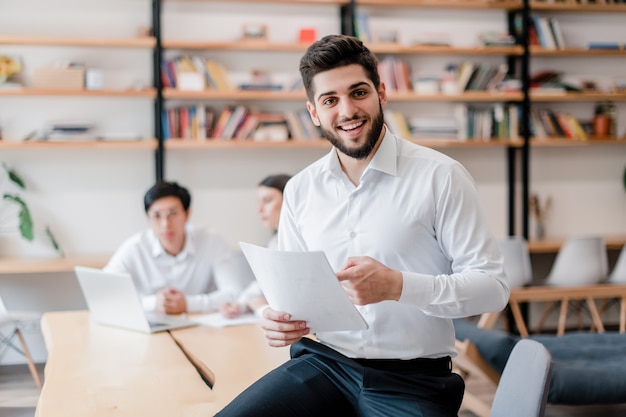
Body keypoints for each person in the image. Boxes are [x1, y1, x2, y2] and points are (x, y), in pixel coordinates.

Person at [216, 34, 510, 417]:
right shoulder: (301, 190)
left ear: (381, 93)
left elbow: (493, 289)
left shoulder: (442, 177)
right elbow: (290, 294)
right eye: (330, 100)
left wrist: (398, 286)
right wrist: (278, 319)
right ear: (313, 113)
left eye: (358, 93)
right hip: (325, 364)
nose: (347, 110)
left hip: (414, 379)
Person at [104, 181, 245, 314]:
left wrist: (188, 304)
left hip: (199, 326)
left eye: (173, 214)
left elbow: (234, 293)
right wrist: (152, 303)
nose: (165, 224)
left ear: (187, 214)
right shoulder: (134, 247)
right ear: (148, 218)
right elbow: (105, 292)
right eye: (157, 216)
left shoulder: (211, 241)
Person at [220, 174, 291, 318]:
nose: (259, 209)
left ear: (290, 200)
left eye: (267, 201)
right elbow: (261, 284)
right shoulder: (275, 242)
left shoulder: (302, 243)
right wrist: (238, 305)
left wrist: (261, 308)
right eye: (258, 202)